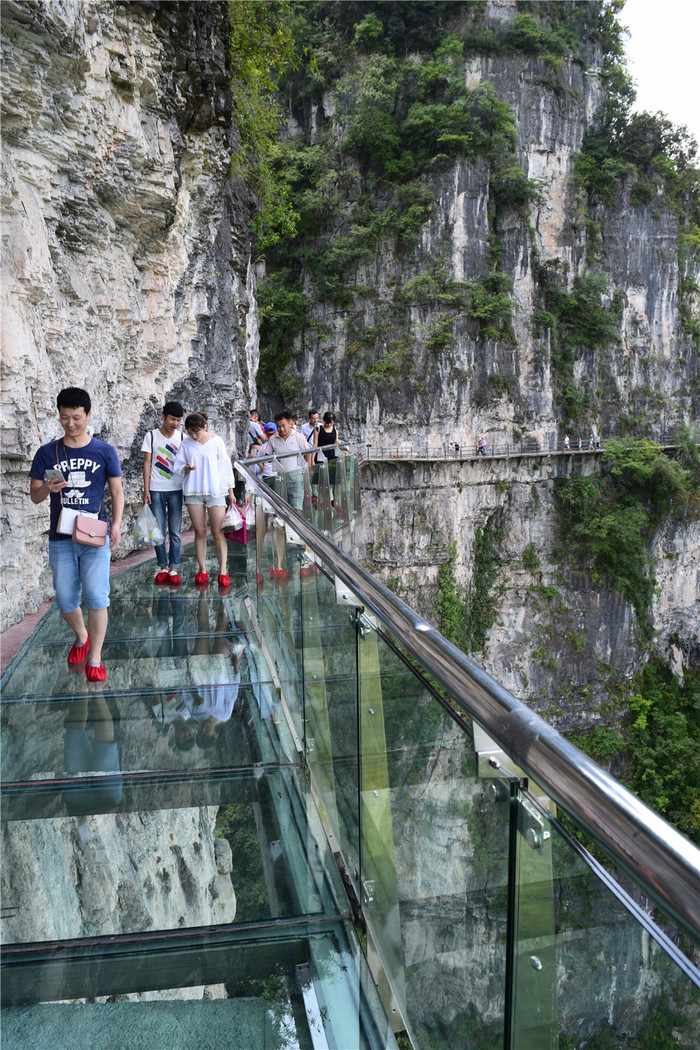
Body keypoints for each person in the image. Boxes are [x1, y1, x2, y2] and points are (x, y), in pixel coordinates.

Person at [29, 387, 124, 683]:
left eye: (77, 418)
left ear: (88, 415)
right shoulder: (47, 452)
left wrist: (117, 524)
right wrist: (48, 488)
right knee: (66, 599)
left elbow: (117, 490)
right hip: (61, 537)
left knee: (97, 595)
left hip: (95, 535)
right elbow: (34, 495)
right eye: (65, 418)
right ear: (59, 415)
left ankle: (94, 657)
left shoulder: (104, 451)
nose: (71, 424)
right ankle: (81, 635)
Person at [172, 411, 235, 589]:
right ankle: (202, 569)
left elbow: (225, 467)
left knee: (217, 532)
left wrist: (230, 492)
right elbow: (177, 465)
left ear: (205, 427)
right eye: (191, 432)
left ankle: (223, 571)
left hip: (215, 491)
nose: (194, 435)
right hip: (193, 491)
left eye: (197, 431)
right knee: (199, 532)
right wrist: (185, 467)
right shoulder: (186, 443)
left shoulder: (217, 441)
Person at [142, 400, 184, 586]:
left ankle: (174, 567)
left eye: (178, 420)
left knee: (175, 531)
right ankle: (162, 566)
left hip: (176, 489)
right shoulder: (151, 436)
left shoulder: (182, 438)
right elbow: (147, 463)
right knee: (157, 531)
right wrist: (146, 489)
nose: (175, 423)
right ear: (163, 417)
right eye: (172, 419)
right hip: (156, 489)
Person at [264, 410, 313, 511]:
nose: (281, 429)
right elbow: (267, 456)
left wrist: (307, 471)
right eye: (278, 426)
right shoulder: (273, 439)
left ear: (289, 423)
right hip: (280, 479)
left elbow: (307, 453)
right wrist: (274, 458)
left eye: (283, 425)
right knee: (281, 509)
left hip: (297, 479)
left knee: (297, 509)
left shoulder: (298, 437)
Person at [313, 411, 348, 507]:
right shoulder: (318, 429)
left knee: (336, 480)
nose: (329, 424)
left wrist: (344, 448)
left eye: (331, 422)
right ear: (324, 420)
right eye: (328, 422)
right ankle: (321, 501)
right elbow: (315, 445)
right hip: (320, 458)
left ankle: (335, 501)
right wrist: (312, 460)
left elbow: (336, 442)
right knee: (322, 481)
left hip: (332, 457)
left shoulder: (335, 430)